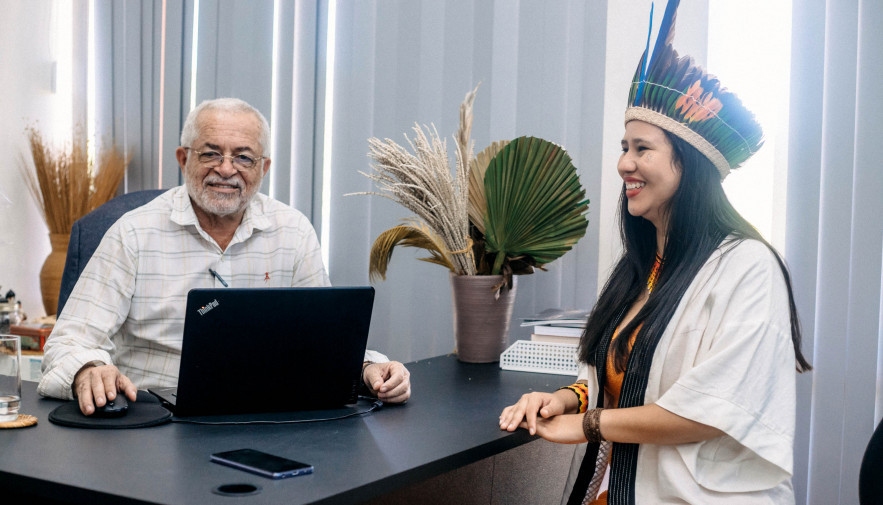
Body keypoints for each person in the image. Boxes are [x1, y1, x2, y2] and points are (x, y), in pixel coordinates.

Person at [498, 2, 810, 504]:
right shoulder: (641, 269)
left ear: (688, 164)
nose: (624, 163)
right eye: (625, 146)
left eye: (642, 148)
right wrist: (563, 398)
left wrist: (588, 425)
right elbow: (614, 373)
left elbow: (710, 410)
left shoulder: (750, 268)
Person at [39, 98, 411, 415]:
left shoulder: (294, 232)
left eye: (243, 157)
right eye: (211, 153)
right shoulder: (132, 233)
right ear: (184, 159)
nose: (226, 168)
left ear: (263, 168)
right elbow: (67, 342)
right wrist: (88, 367)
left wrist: (368, 368)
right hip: (156, 420)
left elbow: (324, 342)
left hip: (268, 417)